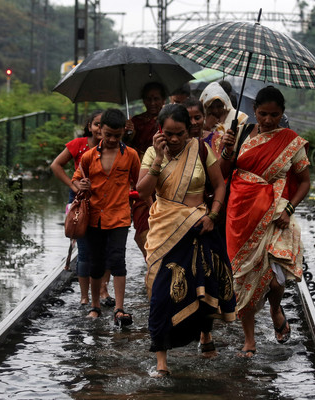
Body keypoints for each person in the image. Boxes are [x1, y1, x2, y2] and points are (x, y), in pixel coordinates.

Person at [136, 104, 236, 376]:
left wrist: (213, 215)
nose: (175, 139)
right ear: (160, 131)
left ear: (188, 131)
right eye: (168, 133)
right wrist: (158, 158)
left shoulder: (201, 150)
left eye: (180, 133)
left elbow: (218, 185)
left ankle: (205, 335)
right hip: (165, 230)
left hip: (199, 228)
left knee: (202, 288)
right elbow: (141, 189)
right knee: (160, 294)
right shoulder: (150, 154)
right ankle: (161, 361)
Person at [220, 86, 310, 356]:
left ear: (282, 113)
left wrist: (289, 210)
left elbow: (304, 182)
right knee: (243, 278)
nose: (268, 120)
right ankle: (249, 340)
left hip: (276, 214)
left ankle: (274, 309)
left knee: (274, 280)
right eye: (262, 114)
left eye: (274, 114)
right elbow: (224, 173)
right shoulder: (242, 134)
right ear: (254, 111)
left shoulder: (291, 141)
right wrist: (226, 149)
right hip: (240, 214)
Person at [72, 108, 141, 323]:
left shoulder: (130, 155)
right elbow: (76, 179)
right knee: (96, 263)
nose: (111, 139)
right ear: (99, 130)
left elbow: (139, 183)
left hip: (119, 215)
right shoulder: (88, 156)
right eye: (107, 134)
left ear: (123, 133)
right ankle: (95, 306)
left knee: (118, 260)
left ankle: (119, 308)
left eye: (117, 136)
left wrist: (140, 200)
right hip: (94, 216)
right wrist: (80, 185)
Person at [50, 111, 114, 307]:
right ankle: (84, 295)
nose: (99, 129)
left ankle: (103, 289)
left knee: (107, 249)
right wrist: (73, 186)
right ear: (89, 126)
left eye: (103, 125)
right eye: (96, 124)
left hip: (106, 200)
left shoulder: (113, 146)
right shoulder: (79, 144)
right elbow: (56, 165)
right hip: (81, 201)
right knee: (85, 250)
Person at [125, 82, 167, 257]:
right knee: (143, 225)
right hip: (141, 176)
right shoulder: (135, 122)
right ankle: (151, 260)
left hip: (166, 175)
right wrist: (129, 135)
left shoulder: (169, 121)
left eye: (156, 99)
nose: (152, 103)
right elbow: (126, 150)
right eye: (148, 99)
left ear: (163, 100)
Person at [199, 82, 248, 156]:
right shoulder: (199, 120)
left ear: (225, 104)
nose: (216, 110)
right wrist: (206, 127)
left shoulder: (237, 117)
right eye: (211, 107)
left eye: (219, 106)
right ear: (205, 107)